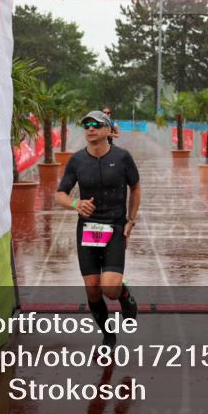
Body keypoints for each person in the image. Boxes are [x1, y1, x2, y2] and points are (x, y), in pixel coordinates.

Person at [55, 110, 140, 347]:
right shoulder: (77, 160)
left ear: (107, 130)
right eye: (86, 125)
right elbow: (60, 195)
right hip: (88, 229)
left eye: (96, 125)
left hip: (114, 227)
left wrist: (131, 220)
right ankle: (108, 333)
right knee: (93, 290)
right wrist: (76, 203)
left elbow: (136, 188)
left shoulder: (123, 158)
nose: (90, 128)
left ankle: (124, 296)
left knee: (109, 288)